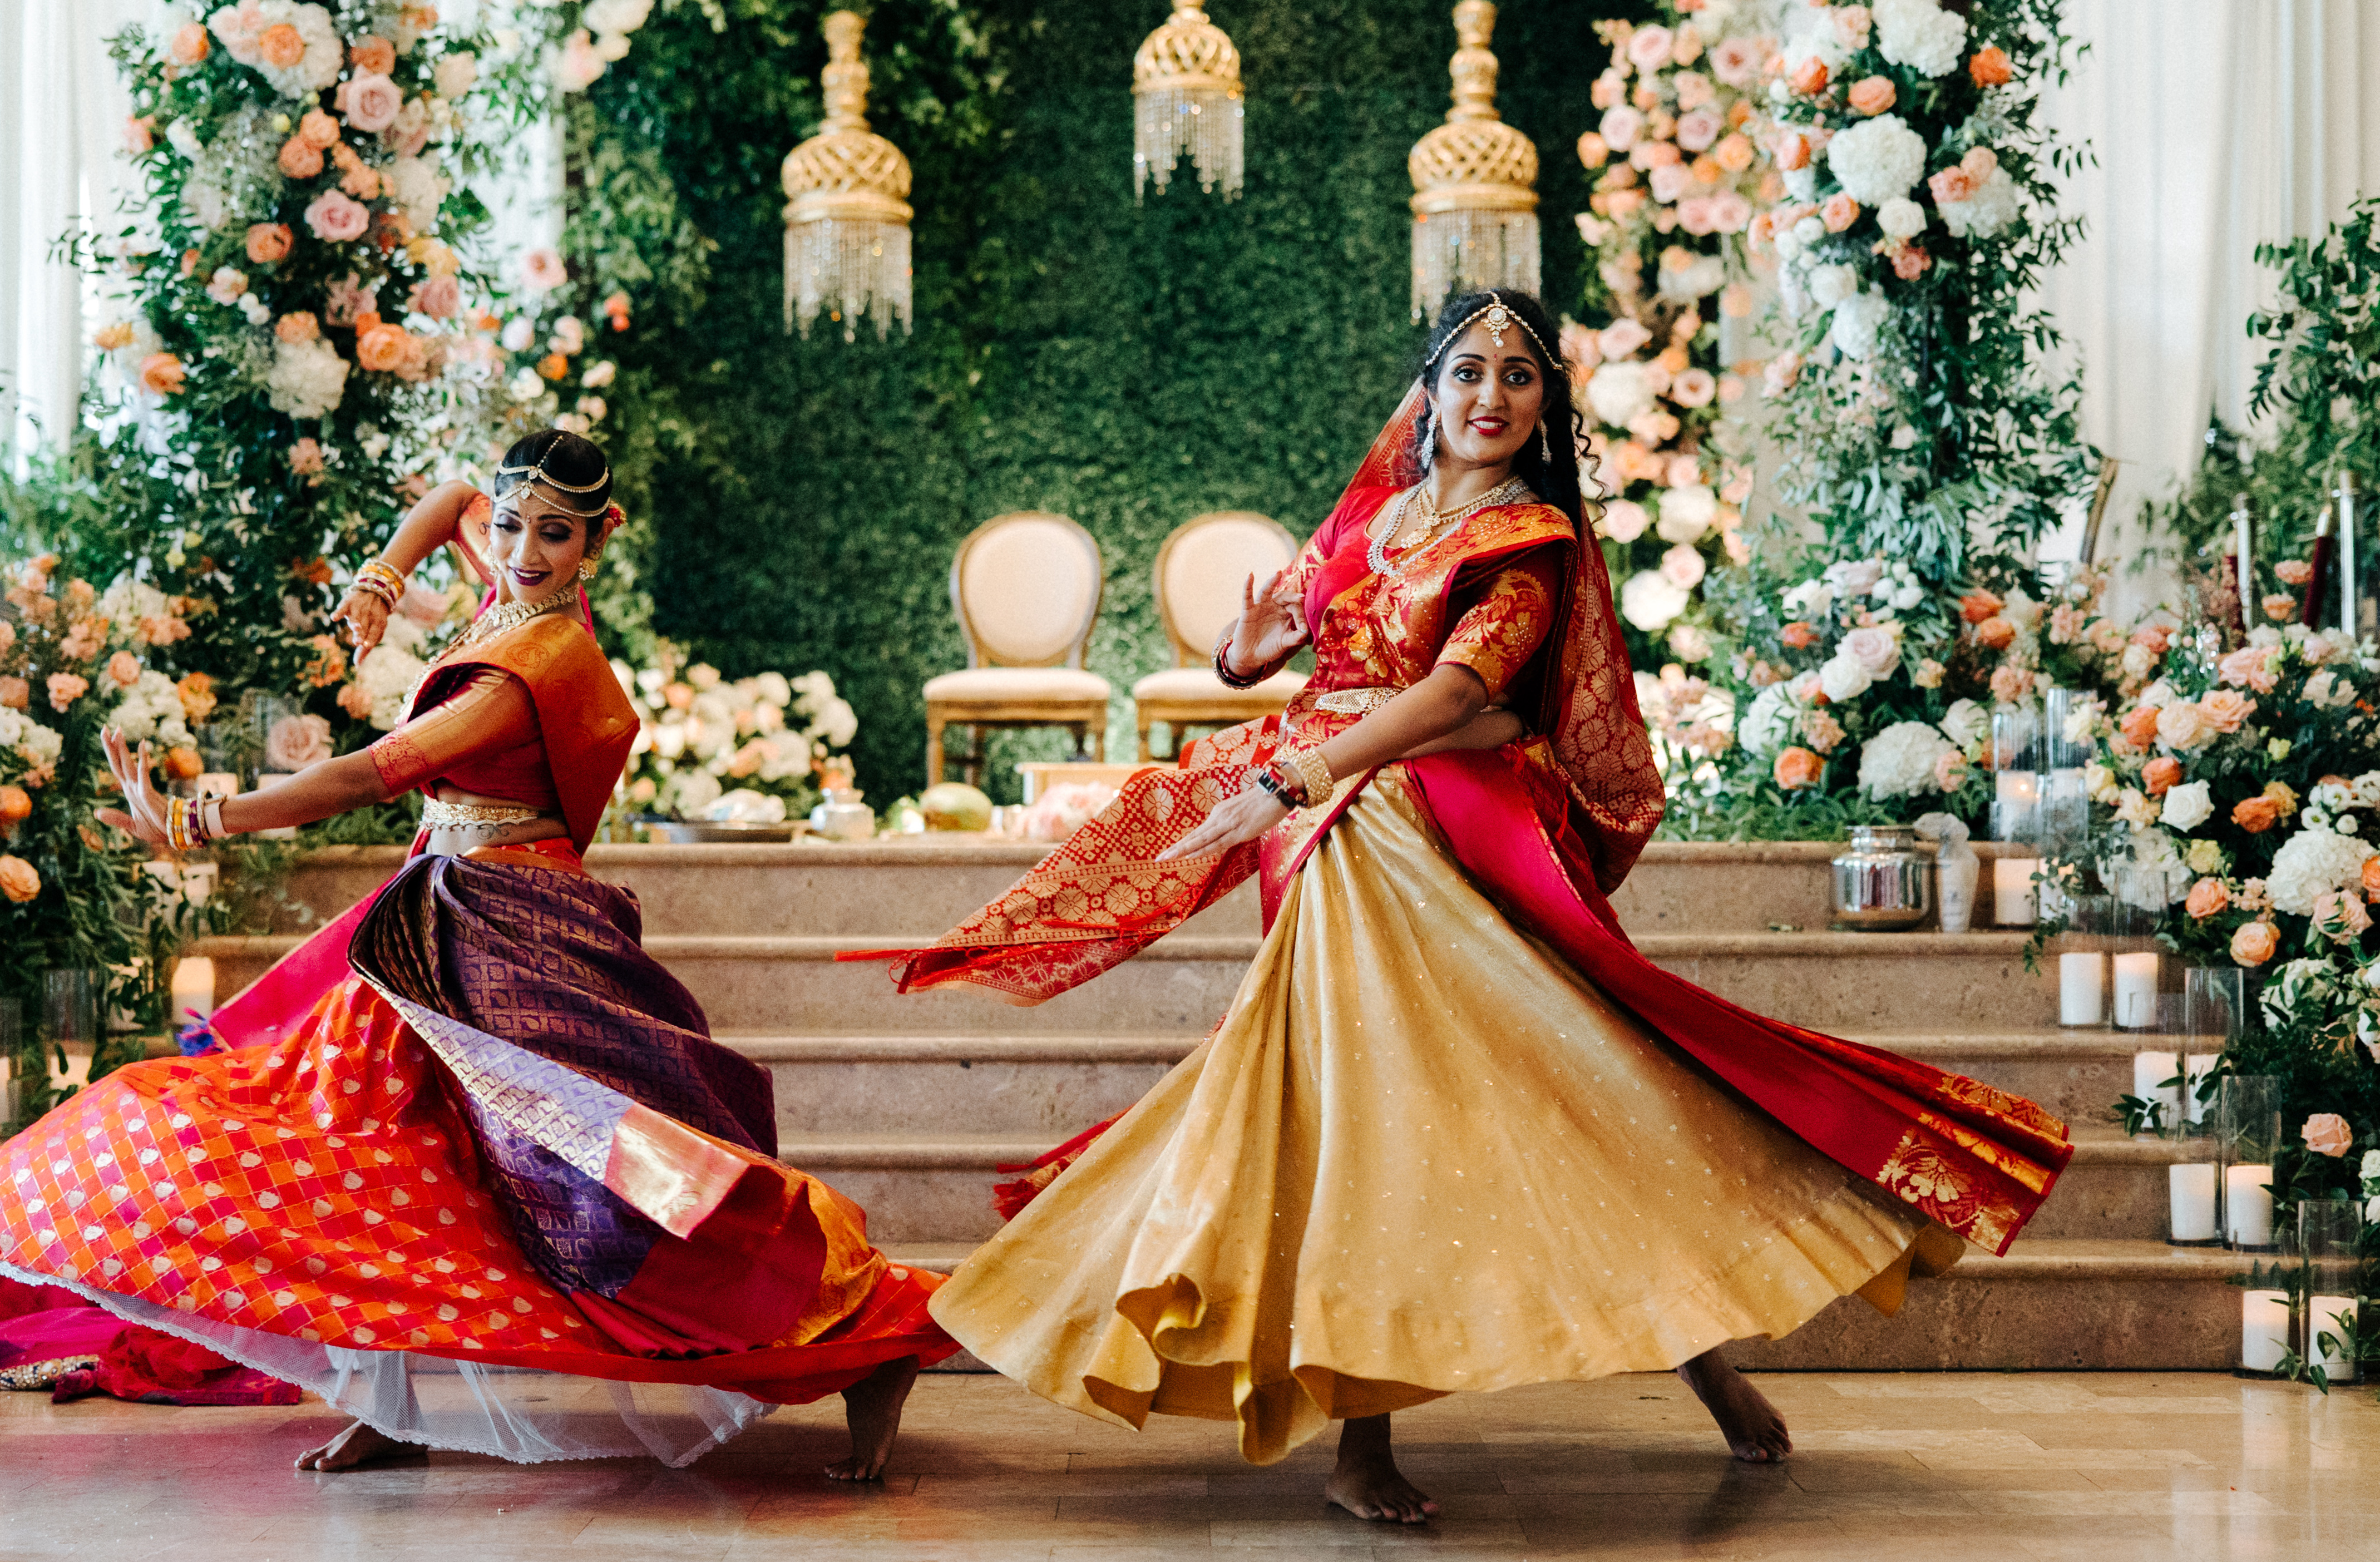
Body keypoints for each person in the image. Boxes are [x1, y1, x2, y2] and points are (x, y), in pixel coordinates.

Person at [856, 291, 2075, 1524]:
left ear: (1547, 408)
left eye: (1521, 378)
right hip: (1327, 832)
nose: (1492, 396)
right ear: (1428, 388)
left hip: (1403, 824)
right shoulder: (1379, 513)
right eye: (1469, 370)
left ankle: (1690, 1362)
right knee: (1383, 1106)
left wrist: (1304, 772)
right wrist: (1246, 655)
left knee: (1564, 1087)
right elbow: (1299, 653)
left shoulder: (1528, 538)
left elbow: (1455, 697)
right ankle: (1361, 1439)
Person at [0, 429, 955, 1476]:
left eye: (554, 533)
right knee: (369, 1150)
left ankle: (874, 1337)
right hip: (434, 923)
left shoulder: (540, 661)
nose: (523, 549)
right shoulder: (510, 589)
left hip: (511, 937)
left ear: (599, 539)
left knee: (603, 1195)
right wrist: (381, 580)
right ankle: (387, 1400)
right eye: (511, 525)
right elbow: (455, 492)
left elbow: (371, 776)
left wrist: (198, 821)